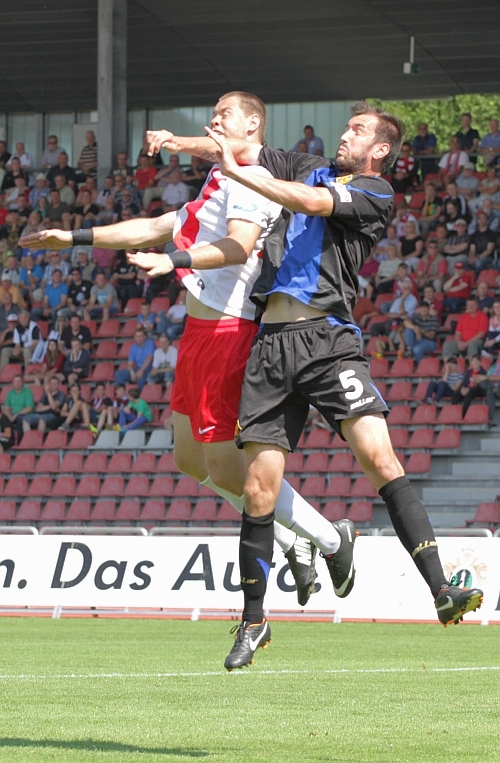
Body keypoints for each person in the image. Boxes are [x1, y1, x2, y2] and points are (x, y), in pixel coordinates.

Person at [179, 99, 482, 665]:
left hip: (327, 341)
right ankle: (253, 622)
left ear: (381, 148)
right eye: (346, 127)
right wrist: (182, 143)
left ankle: (441, 589)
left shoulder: (374, 192)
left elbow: (307, 201)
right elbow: (244, 148)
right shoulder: (307, 165)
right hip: (270, 346)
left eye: (357, 130)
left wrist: (234, 169)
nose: (345, 135)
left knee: (379, 459)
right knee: (257, 490)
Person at [20, 91, 344, 614]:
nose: (213, 121)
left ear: (253, 126)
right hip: (198, 333)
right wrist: (74, 237)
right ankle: (292, 540)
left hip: (228, 333)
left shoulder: (251, 180)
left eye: (224, 115)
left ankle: (329, 537)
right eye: (211, 115)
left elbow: (239, 246)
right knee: (189, 460)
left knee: (228, 471)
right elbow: (153, 227)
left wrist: (175, 261)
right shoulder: (220, 177)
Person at [458, 355, 496, 425]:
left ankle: (463, 415)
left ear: (480, 363)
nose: (475, 363)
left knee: (469, 394)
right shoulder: (468, 372)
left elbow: (481, 384)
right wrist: (463, 388)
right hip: (469, 389)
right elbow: (464, 383)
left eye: (477, 361)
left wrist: (468, 389)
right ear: (471, 362)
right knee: (456, 393)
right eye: (473, 361)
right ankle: (455, 414)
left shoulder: (483, 372)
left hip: (478, 390)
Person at [114, 327, 155, 391]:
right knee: (119, 374)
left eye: (141, 336)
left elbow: (150, 357)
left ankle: (139, 396)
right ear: (134, 337)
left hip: (148, 368)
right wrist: (132, 371)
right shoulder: (133, 347)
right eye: (137, 336)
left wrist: (141, 370)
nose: (139, 338)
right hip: (137, 368)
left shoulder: (150, 343)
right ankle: (121, 393)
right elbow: (130, 363)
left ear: (145, 337)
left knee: (140, 378)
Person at [3, 373, 34, 441]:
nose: (17, 383)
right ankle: (6, 441)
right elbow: (6, 408)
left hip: (25, 415)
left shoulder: (27, 391)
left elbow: (29, 408)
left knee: (20, 418)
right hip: (12, 415)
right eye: (16, 381)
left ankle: (20, 441)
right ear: (12, 382)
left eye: (19, 381)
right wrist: (9, 416)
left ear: (23, 382)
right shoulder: (10, 393)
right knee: (3, 419)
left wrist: (15, 415)